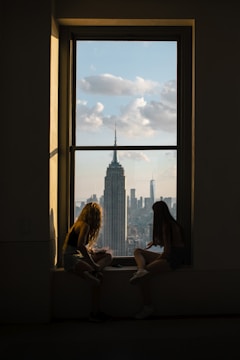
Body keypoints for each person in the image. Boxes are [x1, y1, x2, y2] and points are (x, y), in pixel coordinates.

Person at [129, 200, 186, 319]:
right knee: (137, 251)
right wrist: (155, 242)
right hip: (175, 256)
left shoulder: (167, 226)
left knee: (143, 277)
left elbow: (167, 252)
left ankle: (148, 307)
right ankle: (141, 270)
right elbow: (172, 245)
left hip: (172, 259)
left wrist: (156, 261)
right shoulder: (172, 223)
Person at [62, 202, 113, 322]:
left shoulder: (79, 224)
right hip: (72, 259)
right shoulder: (85, 226)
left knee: (108, 256)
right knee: (98, 278)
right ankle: (95, 313)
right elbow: (80, 246)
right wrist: (93, 263)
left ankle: (93, 272)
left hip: (75, 257)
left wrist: (93, 252)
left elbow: (78, 246)